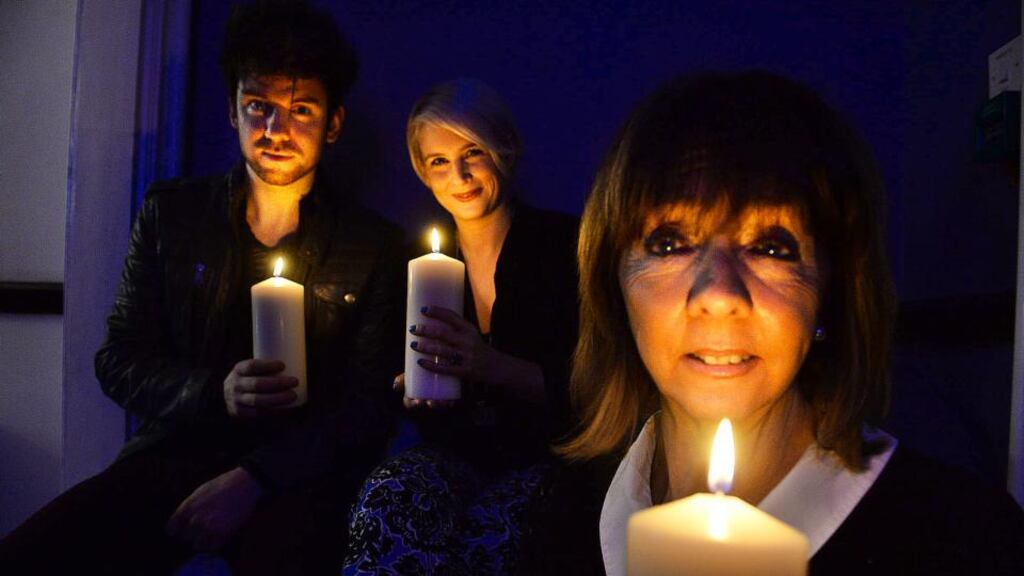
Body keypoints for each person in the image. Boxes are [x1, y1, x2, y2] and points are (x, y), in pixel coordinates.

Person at [516, 71, 1024, 575]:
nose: (717, 295)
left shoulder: (966, 543)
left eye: (771, 247)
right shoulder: (565, 513)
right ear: (614, 286)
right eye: (668, 243)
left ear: (832, 289)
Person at [0, 2, 404, 574]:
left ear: (333, 123)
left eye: (301, 110)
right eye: (258, 107)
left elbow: (367, 408)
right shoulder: (174, 216)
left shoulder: (375, 247)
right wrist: (215, 393)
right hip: (172, 457)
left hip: (298, 478)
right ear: (232, 112)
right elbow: (118, 359)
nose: (275, 131)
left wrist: (256, 479)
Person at [344, 79, 580, 575]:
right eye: (439, 161)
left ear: (505, 150)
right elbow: (384, 375)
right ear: (422, 173)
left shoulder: (566, 246)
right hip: (451, 455)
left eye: (473, 151)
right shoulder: (412, 262)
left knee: (498, 538)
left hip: (551, 460)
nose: (461, 174)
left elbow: (597, 389)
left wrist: (493, 366)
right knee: (388, 502)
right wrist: (407, 389)